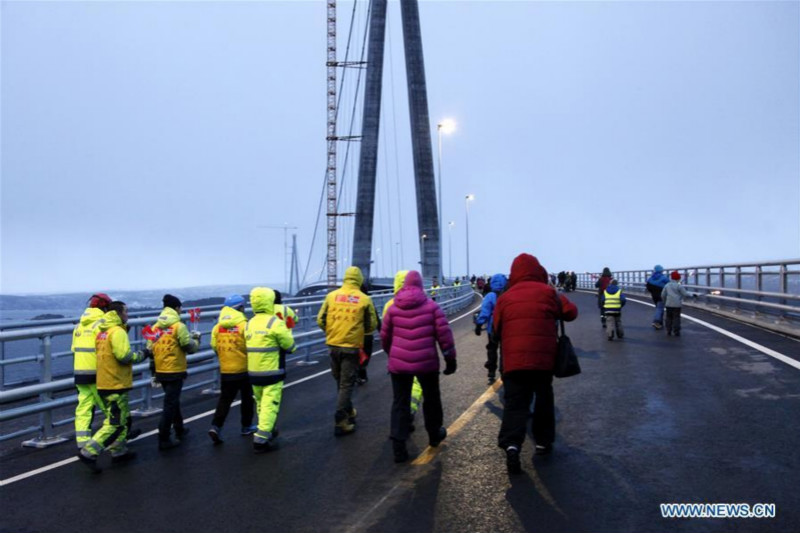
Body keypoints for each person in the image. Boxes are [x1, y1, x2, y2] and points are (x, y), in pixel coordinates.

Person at [492, 253, 578, 475]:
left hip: (513, 363)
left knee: (515, 405)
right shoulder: (549, 293)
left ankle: (512, 446)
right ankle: (542, 442)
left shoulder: (505, 297)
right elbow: (571, 313)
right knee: (543, 400)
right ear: (538, 271)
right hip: (543, 362)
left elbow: (495, 330)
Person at [381, 270, 456, 463]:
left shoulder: (393, 308)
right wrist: (450, 360)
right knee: (431, 399)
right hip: (427, 363)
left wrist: (392, 354)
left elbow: (385, 336)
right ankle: (434, 435)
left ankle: (399, 444)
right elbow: (445, 337)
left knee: (400, 403)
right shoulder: (432, 307)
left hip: (398, 365)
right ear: (421, 286)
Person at [78, 301, 145, 472]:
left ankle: (118, 450)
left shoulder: (102, 331)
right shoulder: (117, 332)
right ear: (118, 313)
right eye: (126, 311)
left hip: (103, 380)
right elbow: (124, 356)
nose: (128, 314)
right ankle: (89, 451)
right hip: (115, 382)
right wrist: (143, 354)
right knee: (114, 423)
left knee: (121, 419)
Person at [317, 266, 378, 436]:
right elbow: (371, 325)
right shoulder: (364, 299)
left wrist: (332, 332)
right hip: (351, 347)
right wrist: (357, 332)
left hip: (333, 344)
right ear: (359, 280)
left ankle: (348, 410)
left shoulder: (331, 296)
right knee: (346, 383)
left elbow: (320, 319)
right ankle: (341, 420)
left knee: (339, 380)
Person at [246, 287, 296, 453]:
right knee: (270, 404)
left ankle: (268, 428)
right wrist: (291, 347)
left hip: (253, 371)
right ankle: (261, 439)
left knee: (260, 403)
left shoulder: (250, 322)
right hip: (272, 370)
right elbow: (290, 345)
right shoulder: (274, 323)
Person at [148, 294, 200, 450]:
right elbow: (188, 347)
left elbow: (150, 349)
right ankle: (163, 438)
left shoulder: (155, 327)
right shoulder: (179, 326)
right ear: (176, 308)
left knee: (172, 400)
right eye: (180, 308)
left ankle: (180, 429)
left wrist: (153, 372)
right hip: (175, 370)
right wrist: (196, 340)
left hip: (160, 370)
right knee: (170, 404)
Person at [207, 294, 256, 444]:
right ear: (240, 308)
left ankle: (216, 426)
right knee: (247, 399)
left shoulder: (218, 326)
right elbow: (251, 345)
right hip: (244, 368)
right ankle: (246, 427)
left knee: (225, 400)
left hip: (226, 369)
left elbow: (214, 346)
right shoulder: (244, 325)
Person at [382, 270, 423, 431]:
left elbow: (385, 332)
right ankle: (409, 414)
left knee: (399, 393)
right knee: (416, 385)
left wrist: (389, 352)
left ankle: (398, 430)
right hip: (418, 354)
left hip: (396, 354)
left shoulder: (388, 305)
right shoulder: (422, 301)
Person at [71, 293, 111, 449]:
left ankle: (82, 443)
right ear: (104, 307)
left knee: (83, 408)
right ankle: (116, 439)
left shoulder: (79, 326)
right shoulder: (101, 324)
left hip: (79, 372)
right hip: (96, 372)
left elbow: (74, 349)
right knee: (108, 407)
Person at [474, 273, 507, 384]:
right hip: (506, 327)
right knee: (504, 350)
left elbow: (485, 312)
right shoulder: (508, 295)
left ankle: (491, 370)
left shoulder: (490, 296)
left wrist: (479, 325)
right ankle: (504, 371)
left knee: (492, 349)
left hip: (492, 328)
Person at [662, 271, 691, 336]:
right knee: (676, 318)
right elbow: (685, 294)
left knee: (668, 317)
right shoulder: (679, 286)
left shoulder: (667, 285)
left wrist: (665, 301)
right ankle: (676, 331)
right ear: (678, 278)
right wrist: (693, 295)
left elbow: (663, 295)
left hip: (668, 304)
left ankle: (668, 330)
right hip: (677, 305)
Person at [646, 265, 669, 329]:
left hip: (654, 295)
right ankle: (656, 321)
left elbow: (648, 287)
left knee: (659, 307)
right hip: (661, 295)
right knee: (659, 308)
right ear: (661, 270)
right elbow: (670, 284)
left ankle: (660, 324)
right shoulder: (664, 278)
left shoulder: (650, 278)